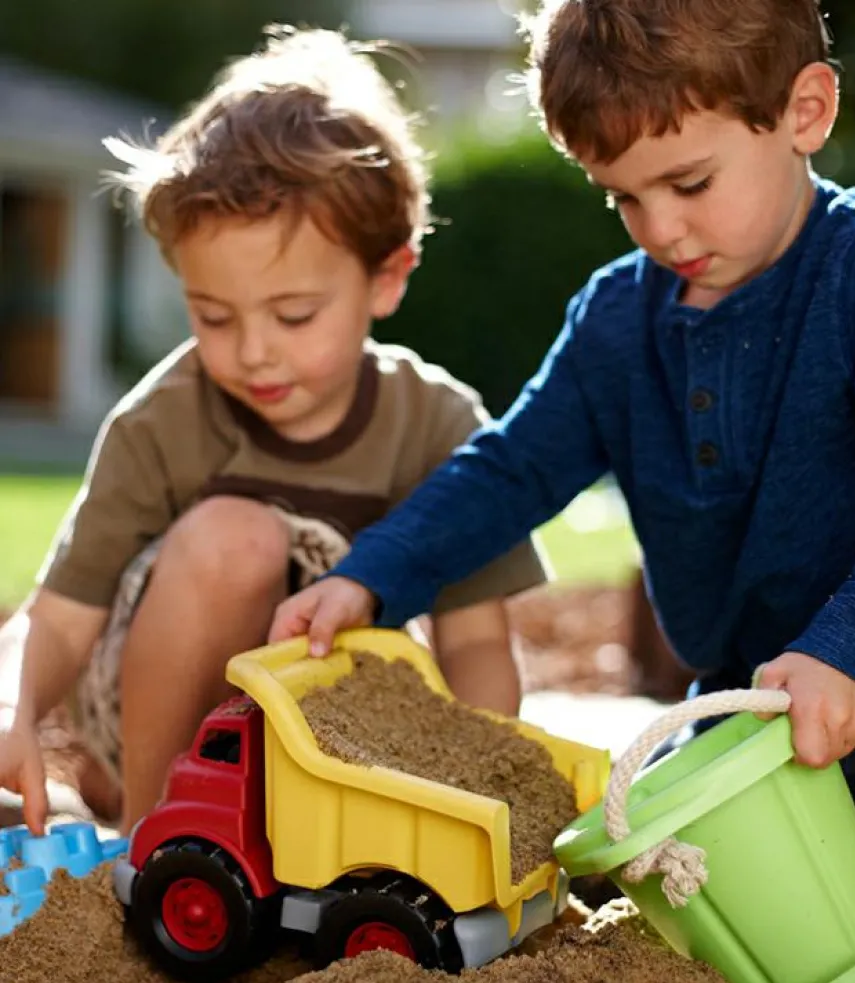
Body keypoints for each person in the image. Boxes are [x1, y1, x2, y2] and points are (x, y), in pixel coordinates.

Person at [270, 2, 855, 981]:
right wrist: (371, 573)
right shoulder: (616, 319)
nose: (661, 228)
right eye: (623, 199)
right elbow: (513, 466)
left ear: (805, 112)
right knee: (701, 940)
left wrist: (853, 650)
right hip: (739, 734)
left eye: (689, 183)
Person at [0, 26, 546, 837]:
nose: (253, 351)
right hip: (151, 716)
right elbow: (61, 614)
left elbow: (475, 646)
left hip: (335, 723)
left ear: (387, 278)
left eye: (293, 315)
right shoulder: (164, 418)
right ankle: (154, 833)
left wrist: (484, 793)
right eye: (213, 316)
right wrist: (11, 712)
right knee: (235, 538)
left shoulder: (438, 424)